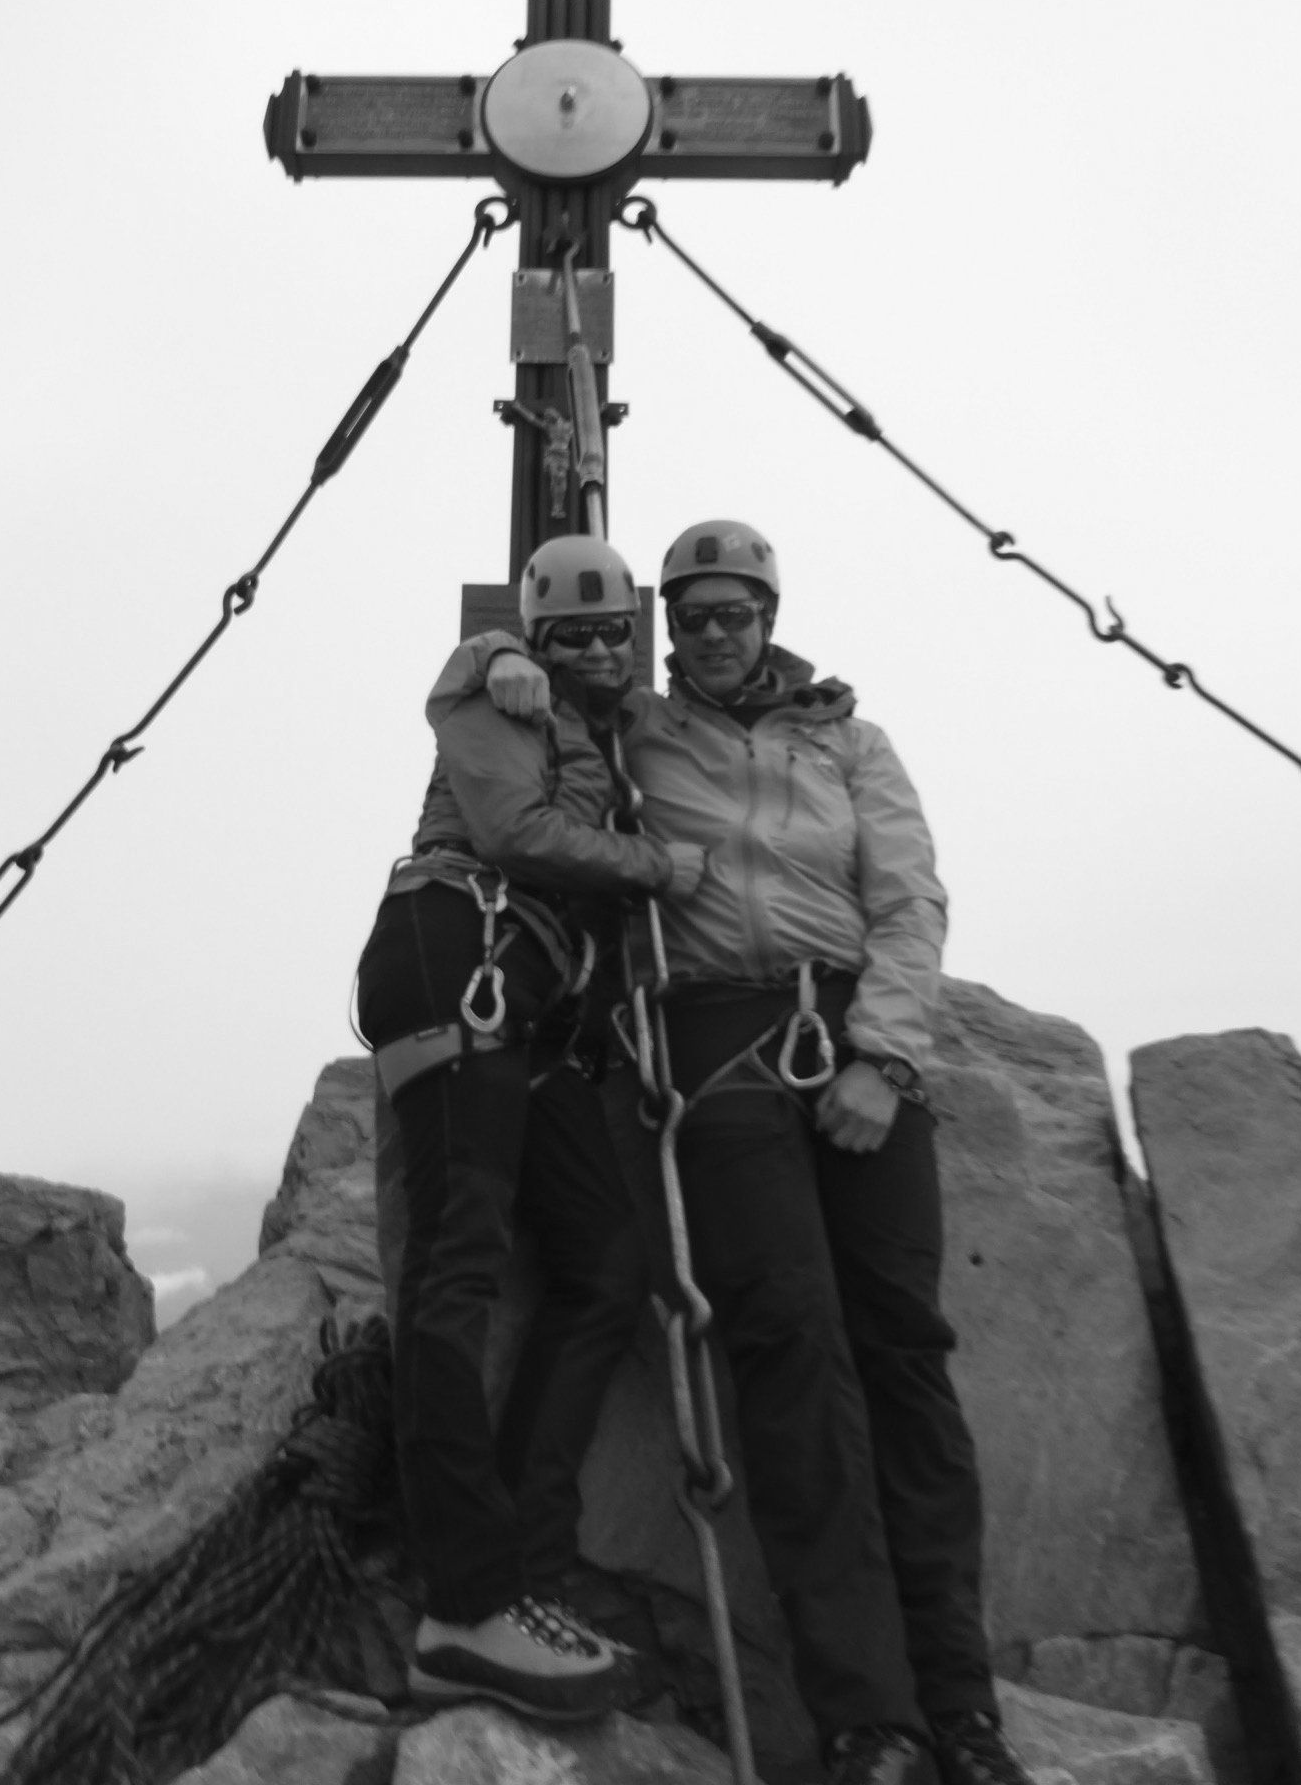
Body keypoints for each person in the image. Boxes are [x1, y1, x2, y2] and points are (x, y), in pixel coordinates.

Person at [446, 518, 1033, 1785]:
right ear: (674, 626)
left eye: (736, 611)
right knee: (791, 1358)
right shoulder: (636, 731)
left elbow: (909, 900)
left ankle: (963, 1708)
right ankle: (870, 1718)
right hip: (717, 1047)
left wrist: (883, 1056)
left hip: (853, 1038)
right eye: (694, 615)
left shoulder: (851, 741)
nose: (714, 633)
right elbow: (541, 680)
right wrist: (497, 650)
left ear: (770, 614)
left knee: (906, 1361)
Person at [354, 532, 705, 1723]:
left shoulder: (612, 727)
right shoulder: (494, 688)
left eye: (616, 630)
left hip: (530, 995)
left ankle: (524, 1562)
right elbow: (512, 833)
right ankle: (467, 1603)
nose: (599, 648)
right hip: (458, 944)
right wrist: (658, 866)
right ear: (539, 637)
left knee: (603, 1260)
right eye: (572, 632)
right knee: (457, 1265)